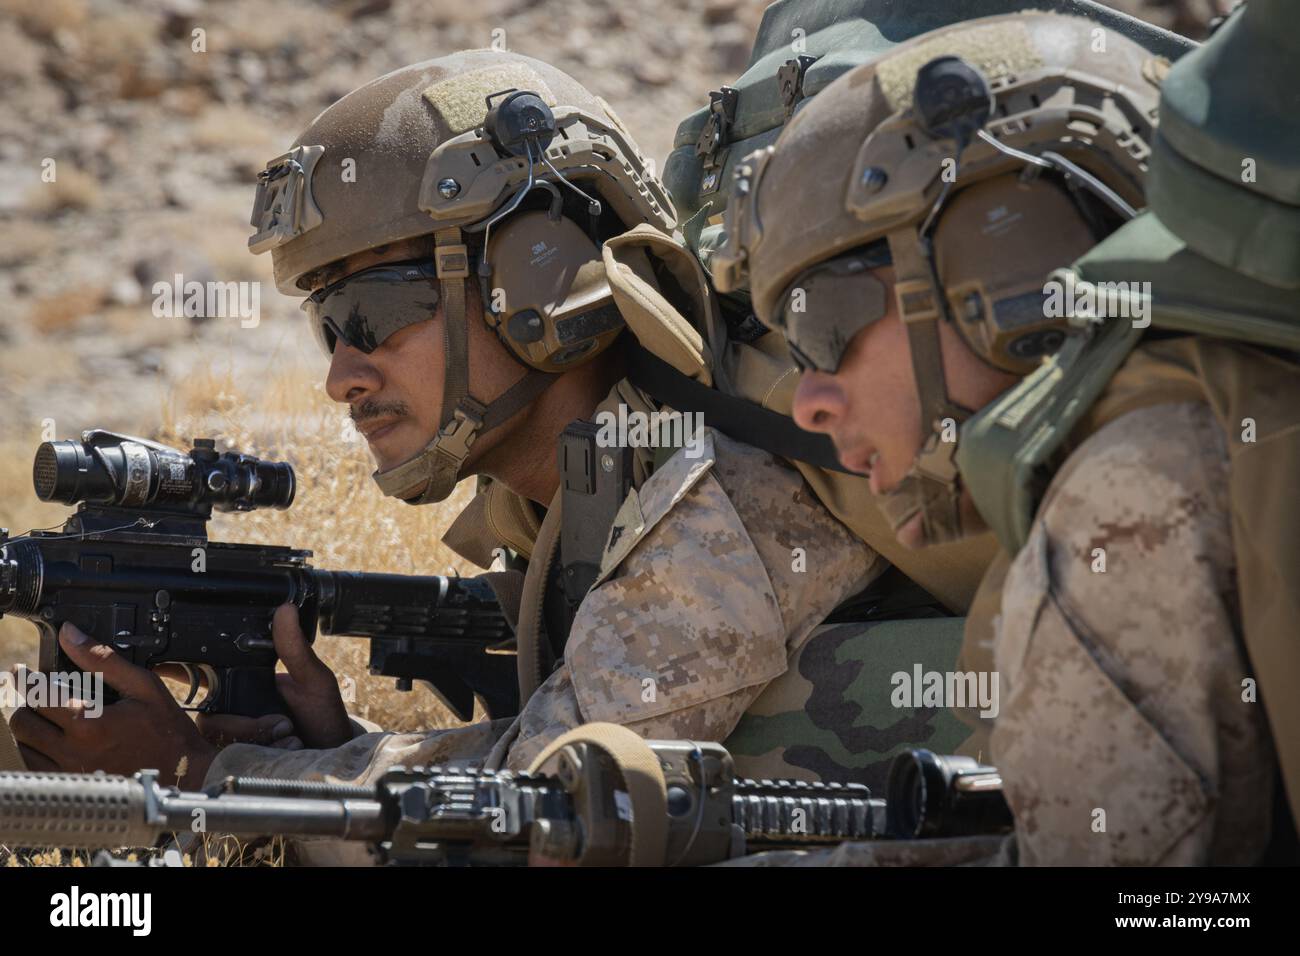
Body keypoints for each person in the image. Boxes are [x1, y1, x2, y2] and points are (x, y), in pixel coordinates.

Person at [11, 49, 994, 817]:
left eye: (372, 311)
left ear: (539, 280)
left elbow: (547, 808)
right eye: (326, 325)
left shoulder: (714, 487)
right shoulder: (574, 497)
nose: (340, 373)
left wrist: (196, 770)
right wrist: (319, 749)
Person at [716, 7, 1297, 865]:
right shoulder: (1226, 403)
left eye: (825, 322)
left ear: (1014, 264)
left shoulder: (1136, 482)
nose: (805, 401)